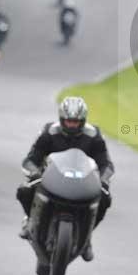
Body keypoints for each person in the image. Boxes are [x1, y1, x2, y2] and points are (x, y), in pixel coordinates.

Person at [17, 96, 114, 261]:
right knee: (24, 190)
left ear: (83, 121)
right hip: (51, 178)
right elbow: (30, 160)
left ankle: (87, 237)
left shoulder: (93, 135)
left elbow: (106, 164)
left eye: (76, 122)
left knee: (105, 198)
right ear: (61, 119)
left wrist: (103, 180)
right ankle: (29, 221)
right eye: (69, 121)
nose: (72, 125)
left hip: (82, 182)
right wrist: (35, 173)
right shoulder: (49, 132)